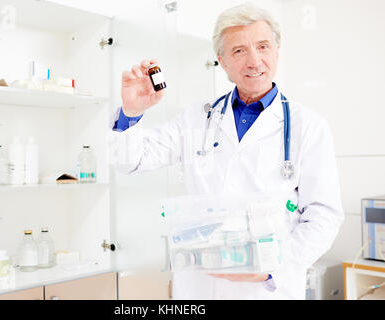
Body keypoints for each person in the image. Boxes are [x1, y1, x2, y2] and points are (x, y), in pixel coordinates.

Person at [108, 3, 344, 299]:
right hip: (200, 287)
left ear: (277, 51)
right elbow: (131, 160)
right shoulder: (196, 119)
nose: (254, 60)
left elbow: (324, 216)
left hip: (266, 290)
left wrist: (275, 268)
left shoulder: (308, 126)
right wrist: (132, 111)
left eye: (263, 46)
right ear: (221, 60)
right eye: (239, 51)